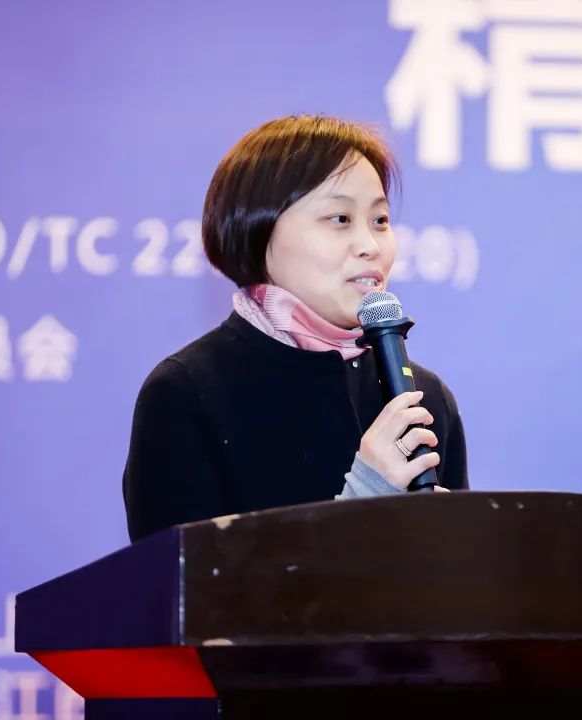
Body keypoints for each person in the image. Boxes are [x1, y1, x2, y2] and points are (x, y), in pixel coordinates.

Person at [121, 114, 469, 542]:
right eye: (340, 219)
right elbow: (185, 581)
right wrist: (366, 495)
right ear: (258, 229)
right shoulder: (187, 392)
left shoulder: (422, 398)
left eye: (380, 220)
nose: (371, 246)